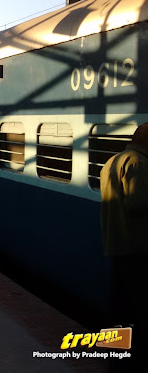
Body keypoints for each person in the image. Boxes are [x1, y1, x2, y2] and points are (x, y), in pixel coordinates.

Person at [100, 122, 148, 369]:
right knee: (140, 307)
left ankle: (114, 355)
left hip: (116, 244)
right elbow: (137, 204)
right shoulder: (138, 163)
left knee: (117, 306)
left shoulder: (111, 161)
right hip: (136, 247)